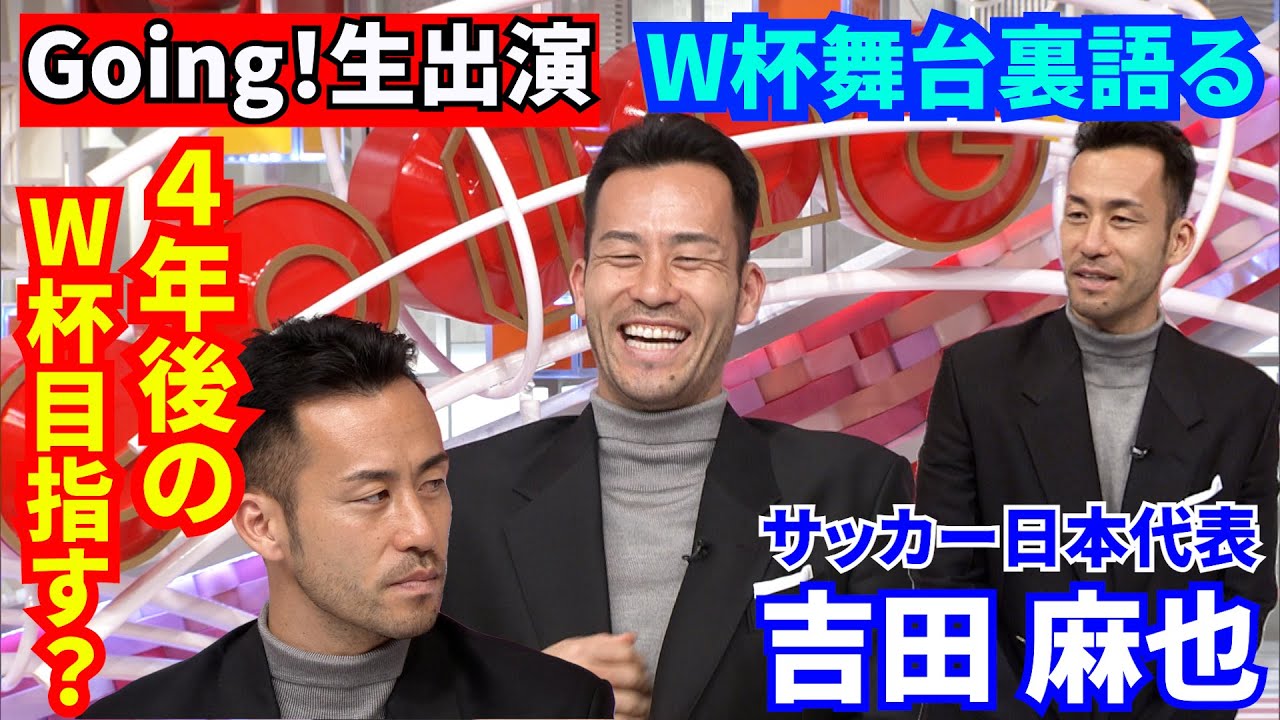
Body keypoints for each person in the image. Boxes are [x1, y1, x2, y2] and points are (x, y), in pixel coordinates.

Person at [441, 113, 917, 720]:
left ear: (747, 292)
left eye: (691, 258)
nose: (653, 289)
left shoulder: (854, 496)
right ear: (581, 286)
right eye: (624, 255)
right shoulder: (459, 500)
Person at [912, 120, 1279, 720]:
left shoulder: (1243, 403)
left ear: (1178, 240)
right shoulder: (977, 377)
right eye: (1077, 215)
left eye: (1122, 219)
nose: (1091, 243)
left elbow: (1240, 599)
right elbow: (944, 581)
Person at [82, 316, 614, 719]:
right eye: (374, 496)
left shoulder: (556, 705)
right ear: (261, 526)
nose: (421, 531)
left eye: (432, 484)